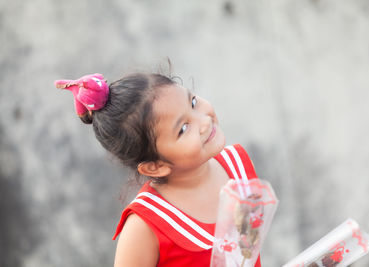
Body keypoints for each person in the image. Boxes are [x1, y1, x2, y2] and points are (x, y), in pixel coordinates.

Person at [55, 72, 261, 267]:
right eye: (183, 128)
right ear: (156, 166)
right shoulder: (145, 226)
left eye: (193, 102)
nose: (204, 121)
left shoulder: (238, 167)